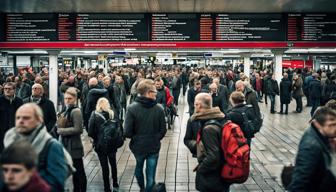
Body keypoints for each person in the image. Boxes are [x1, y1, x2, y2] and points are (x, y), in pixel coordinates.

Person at [4, 103, 68, 192]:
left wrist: (28, 180)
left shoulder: (51, 146)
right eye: (18, 118)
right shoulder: (9, 141)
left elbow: (57, 184)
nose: (20, 121)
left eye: (26, 118)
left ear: (39, 120)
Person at [124, 79, 167, 192]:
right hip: (153, 146)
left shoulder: (132, 108)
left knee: (139, 166)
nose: (156, 93)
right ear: (148, 93)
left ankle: (142, 188)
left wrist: (137, 138)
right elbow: (163, 130)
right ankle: (148, 189)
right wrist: (156, 138)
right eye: (154, 91)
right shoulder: (159, 109)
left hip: (138, 146)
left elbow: (127, 132)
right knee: (151, 174)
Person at [288, 106, 336, 191]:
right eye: (331, 125)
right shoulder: (311, 146)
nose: (334, 128)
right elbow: (300, 179)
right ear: (318, 125)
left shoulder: (321, 136)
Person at [192, 93, 230, 192]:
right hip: (221, 173)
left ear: (198, 105)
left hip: (213, 179)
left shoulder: (209, 128)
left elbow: (213, 156)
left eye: (195, 104)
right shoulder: (219, 118)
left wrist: (201, 168)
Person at [56, 87, 86, 192]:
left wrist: (61, 131)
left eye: (69, 98)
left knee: (79, 172)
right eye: (65, 98)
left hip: (74, 147)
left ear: (75, 99)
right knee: (74, 173)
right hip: (66, 145)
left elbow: (79, 129)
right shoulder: (66, 109)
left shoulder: (76, 111)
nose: (67, 100)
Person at [88, 98, 120, 192]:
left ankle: (106, 187)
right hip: (112, 144)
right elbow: (118, 127)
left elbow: (90, 131)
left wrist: (96, 138)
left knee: (104, 166)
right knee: (113, 163)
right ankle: (115, 182)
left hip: (100, 144)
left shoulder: (94, 115)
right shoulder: (112, 113)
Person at [0, 82, 23, 151]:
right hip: (2, 132)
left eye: (9, 89)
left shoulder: (19, 101)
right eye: (5, 89)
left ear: (14, 90)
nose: (7, 90)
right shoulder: (0, 100)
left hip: (15, 131)